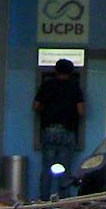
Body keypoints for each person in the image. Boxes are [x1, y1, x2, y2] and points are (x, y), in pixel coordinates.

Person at [33, 59, 84, 200]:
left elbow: (36, 106)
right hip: (67, 131)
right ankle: (64, 201)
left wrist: (48, 109)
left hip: (49, 131)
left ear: (56, 70)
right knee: (65, 169)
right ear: (71, 72)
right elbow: (81, 111)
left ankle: (43, 200)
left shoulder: (47, 85)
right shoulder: (75, 87)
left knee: (47, 169)